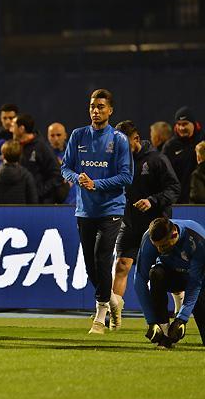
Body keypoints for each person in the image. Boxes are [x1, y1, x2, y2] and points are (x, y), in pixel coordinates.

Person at [61, 89, 133, 335]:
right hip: (85, 210)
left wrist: (96, 184)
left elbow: (126, 176)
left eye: (101, 106)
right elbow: (65, 167)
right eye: (92, 106)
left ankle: (100, 318)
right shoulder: (78, 135)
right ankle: (112, 300)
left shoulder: (119, 140)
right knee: (91, 267)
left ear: (110, 110)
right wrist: (76, 178)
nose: (95, 110)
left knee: (103, 259)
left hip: (111, 209)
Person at [111, 120, 180, 330]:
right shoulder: (118, 162)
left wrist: (152, 201)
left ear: (136, 139)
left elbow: (174, 188)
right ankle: (111, 316)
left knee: (166, 270)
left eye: (124, 144)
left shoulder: (157, 160)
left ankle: (179, 310)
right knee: (121, 265)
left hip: (157, 226)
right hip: (130, 223)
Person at [134, 218, 205, 349]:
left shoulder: (197, 238)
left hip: (197, 279)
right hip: (170, 275)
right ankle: (165, 333)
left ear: (174, 235)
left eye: (164, 246)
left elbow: (195, 284)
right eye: (156, 246)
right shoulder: (148, 239)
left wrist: (182, 319)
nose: (159, 250)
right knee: (156, 274)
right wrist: (151, 321)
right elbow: (139, 280)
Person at [10, 113, 64, 203]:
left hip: (39, 204)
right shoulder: (16, 147)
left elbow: (57, 175)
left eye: (13, 127)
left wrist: (39, 192)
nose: (11, 130)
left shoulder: (41, 148)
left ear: (21, 129)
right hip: (22, 202)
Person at [162, 107, 205, 203]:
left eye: (185, 124)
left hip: (200, 202)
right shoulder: (170, 147)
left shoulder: (203, 143)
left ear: (194, 124)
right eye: (179, 124)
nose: (181, 128)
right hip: (178, 202)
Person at [0, 140, 38, 204]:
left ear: (3, 156)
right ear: (20, 156)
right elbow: (33, 202)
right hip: (22, 210)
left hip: (0, 211)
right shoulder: (27, 176)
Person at [48, 122, 75, 204]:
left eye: (58, 135)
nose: (56, 139)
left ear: (65, 135)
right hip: (53, 202)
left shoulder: (75, 153)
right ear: (48, 137)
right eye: (52, 135)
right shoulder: (44, 155)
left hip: (73, 201)